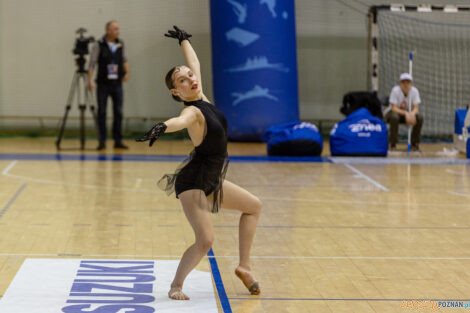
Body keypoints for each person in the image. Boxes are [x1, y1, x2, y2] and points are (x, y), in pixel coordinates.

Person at [136, 26, 262, 300]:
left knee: (253, 207)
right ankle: (175, 286)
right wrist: (161, 127)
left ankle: (244, 266)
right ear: (175, 91)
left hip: (211, 177)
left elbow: (195, 64)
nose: (190, 79)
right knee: (205, 240)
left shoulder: (202, 97)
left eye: (190, 76)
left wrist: (184, 41)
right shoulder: (191, 111)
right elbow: (179, 123)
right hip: (193, 181)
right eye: (182, 80)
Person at [88, 20, 130, 150]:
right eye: (115, 29)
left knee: (118, 111)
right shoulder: (99, 44)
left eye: (118, 29)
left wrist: (127, 72)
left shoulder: (120, 43)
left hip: (117, 83)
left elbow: (124, 59)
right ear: (108, 31)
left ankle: (118, 140)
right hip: (103, 84)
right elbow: (92, 63)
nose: (118, 31)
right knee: (102, 112)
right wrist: (90, 80)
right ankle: (102, 141)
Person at [384, 73, 424, 151]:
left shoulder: (415, 91)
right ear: (400, 83)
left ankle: (414, 144)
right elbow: (393, 107)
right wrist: (406, 113)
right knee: (394, 117)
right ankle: (392, 144)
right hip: (392, 113)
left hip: (406, 115)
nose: (405, 85)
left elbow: (416, 108)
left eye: (408, 82)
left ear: (411, 84)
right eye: (403, 82)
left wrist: (411, 115)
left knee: (419, 117)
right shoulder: (395, 90)